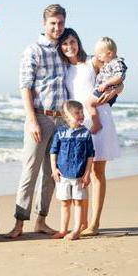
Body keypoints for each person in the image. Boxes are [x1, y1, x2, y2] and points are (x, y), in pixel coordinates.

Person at [8, 4, 68, 239]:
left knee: (52, 173)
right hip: (40, 117)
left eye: (61, 23)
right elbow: (25, 86)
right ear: (44, 24)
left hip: (62, 120)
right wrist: (32, 119)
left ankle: (41, 221)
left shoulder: (66, 50)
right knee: (29, 171)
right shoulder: (33, 50)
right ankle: (19, 223)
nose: (57, 27)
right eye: (53, 23)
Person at [57, 28, 123, 237]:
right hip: (78, 123)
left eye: (73, 42)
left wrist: (117, 89)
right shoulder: (65, 67)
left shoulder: (93, 61)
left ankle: (94, 224)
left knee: (97, 172)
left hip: (99, 119)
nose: (69, 47)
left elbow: (116, 75)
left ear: (79, 42)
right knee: (79, 172)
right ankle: (82, 222)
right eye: (65, 44)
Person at [50, 100, 95, 240]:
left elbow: (90, 155)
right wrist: (54, 168)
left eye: (82, 112)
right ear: (67, 115)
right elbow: (53, 151)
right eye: (77, 113)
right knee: (64, 202)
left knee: (78, 202)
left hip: (79, 176)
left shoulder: (85, 133)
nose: (81, 115)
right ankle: (63, 230)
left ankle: (76, 230)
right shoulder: (61, 132)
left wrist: (87, 173)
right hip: (63, 175)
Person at [89, 37, 127, 107]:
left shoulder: (116, 62)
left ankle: (95, 118)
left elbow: (120, 76)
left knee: (89, 104)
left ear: (109, 53)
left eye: (100, 56)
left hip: (107, 91)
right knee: (91, 105)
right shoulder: (107, 63)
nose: (98, 58)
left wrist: (106, 83)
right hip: (104, 91)